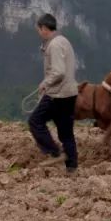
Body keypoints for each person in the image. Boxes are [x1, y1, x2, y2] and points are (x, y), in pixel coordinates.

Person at [28, 13, 78, 172]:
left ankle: (55, 152)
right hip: (70, 93)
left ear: (43, 28)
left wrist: (44, 84)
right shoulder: (64, 41)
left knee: (35, 121)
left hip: (57, 95)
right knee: (66, 133)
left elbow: (58, 72)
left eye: (39, 29)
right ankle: (72, 168)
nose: (38, 32)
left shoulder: (54, 45)